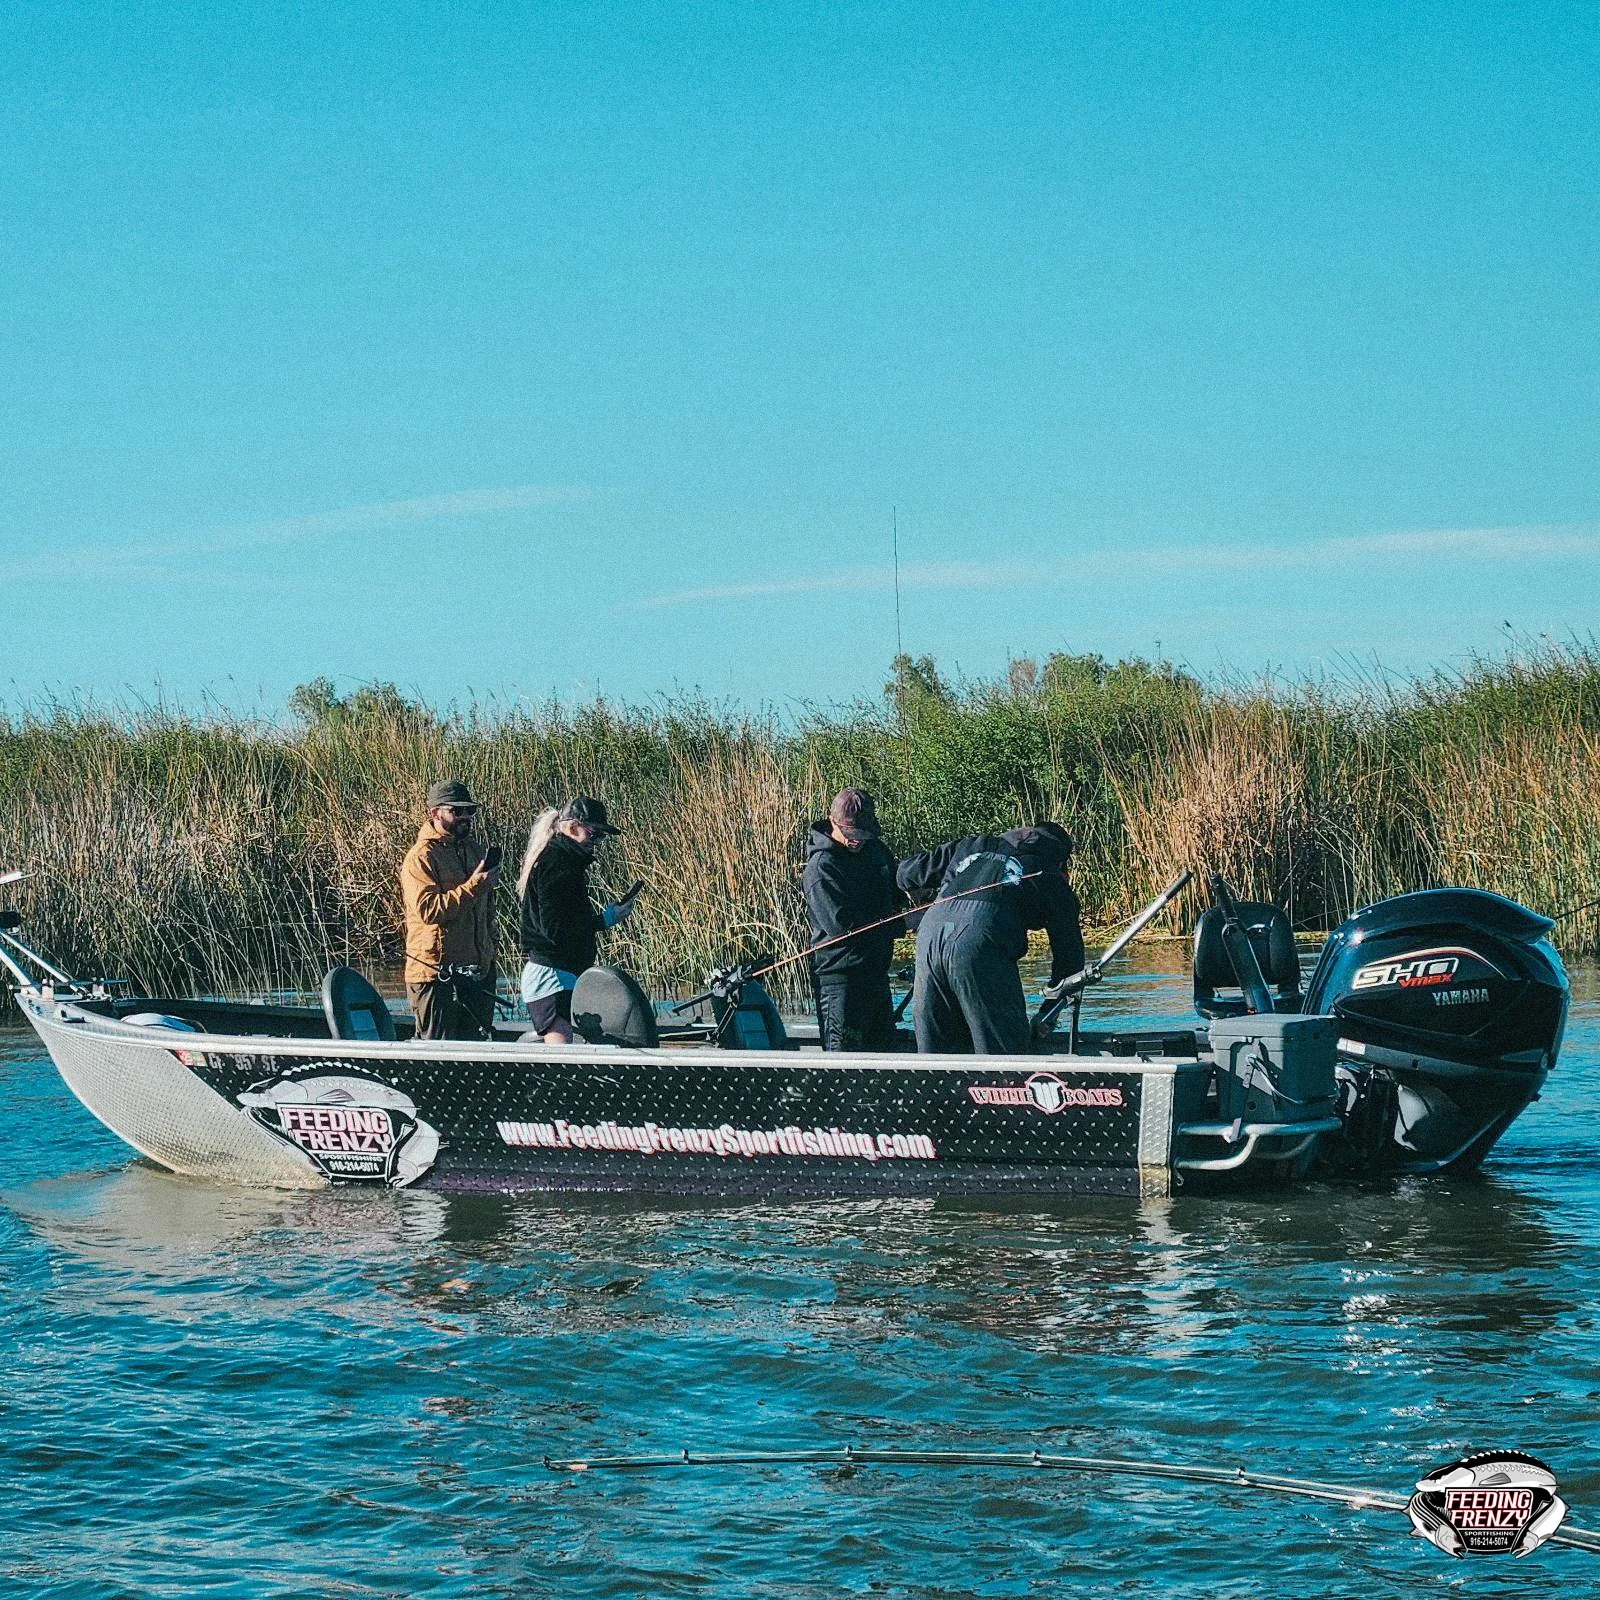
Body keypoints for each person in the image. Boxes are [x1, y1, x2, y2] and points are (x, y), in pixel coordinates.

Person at [895, 821, 1084, 1055]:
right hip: (981, 943)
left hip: (929, 937)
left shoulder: (972, 845)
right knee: (1003, 1057)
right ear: (1061, 861)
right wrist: (1047, 1015)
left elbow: (905, 874)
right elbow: (1070, 959)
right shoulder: (1048, 872)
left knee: (936, 1060)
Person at [516, 796, 635, 1043]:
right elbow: (554, 929)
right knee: (563, 1059)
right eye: (594, 835)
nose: (597, 843)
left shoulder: (566, 862)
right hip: (549, 976)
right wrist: (604, 920)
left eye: (601, 837)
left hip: (565, 974)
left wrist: (604, 919)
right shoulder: (555, 863)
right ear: (572, 828)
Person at [802, 787, 905, 1051]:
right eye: (850, 834)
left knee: (884, 1052)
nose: (857, 840)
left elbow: (894, 896)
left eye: (862, 834)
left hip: (876, 973)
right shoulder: (821, 867)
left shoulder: (877, 852)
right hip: (839, 980)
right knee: (843, 1055)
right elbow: (842, 926)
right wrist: (896, 924)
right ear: (833, 822)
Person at [400, 779, 500, 1040]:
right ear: (435, 813)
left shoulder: (475, 850)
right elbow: (428, 911)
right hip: (435, 975)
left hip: (476, 973)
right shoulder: (421, 857)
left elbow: (486, 912)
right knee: (439, 1053)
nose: (465, 817)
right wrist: (474, 887)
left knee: (477, 1054)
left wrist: (489, 955)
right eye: (457, 811)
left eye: (470, 811)